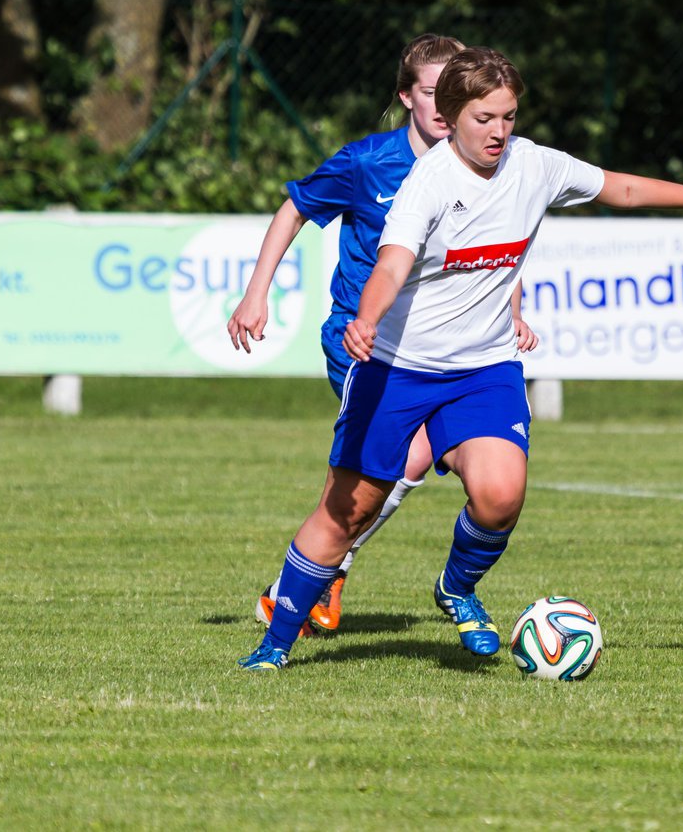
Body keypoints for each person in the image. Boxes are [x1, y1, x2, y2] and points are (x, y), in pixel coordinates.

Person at [238, 46, 683, 671]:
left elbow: (623, 187)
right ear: (452, 116)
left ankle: (455, 587)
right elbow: (391, 262)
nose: (500, 130)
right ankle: (274, 646)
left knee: (501, 494)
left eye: (508, 115)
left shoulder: (534, 166)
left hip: (483, 368)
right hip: (399, 367)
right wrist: (366, 319)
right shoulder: (428, 183)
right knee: (350, 509)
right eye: (484, 118)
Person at [227, 35, 540, 637]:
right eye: (430, 93)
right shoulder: (369, 161)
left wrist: (511, 313)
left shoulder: (485, 165)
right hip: (363, 340)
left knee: (456, 469)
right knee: (409, 454)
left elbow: (493, 254)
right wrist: (256, 291)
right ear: (407, 97)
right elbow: (295, 207)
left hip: (443, 353)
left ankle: (321, 569)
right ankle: (327, 566)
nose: (444, 107)